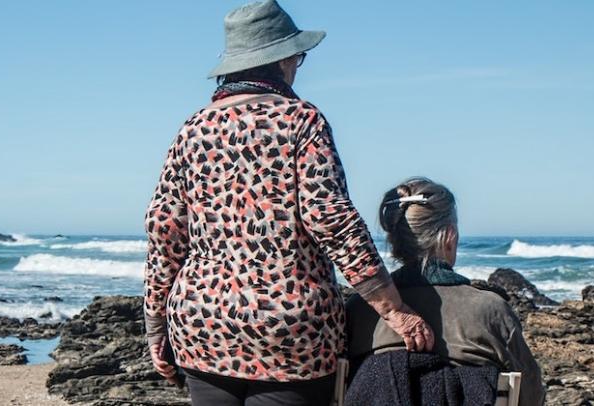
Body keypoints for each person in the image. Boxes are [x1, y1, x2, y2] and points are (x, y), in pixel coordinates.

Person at [144, 2, 434, 405]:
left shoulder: (193, 129)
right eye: (298, 57)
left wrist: (156, 324)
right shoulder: (302, 121)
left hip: (202, 325)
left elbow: (164, 233)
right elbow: (331, 219)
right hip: (291, 332)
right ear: (280, 61)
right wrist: (393, 308)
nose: (298, 66)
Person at [344, 177, 545, 405]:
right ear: (449, 236)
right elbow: (530, 394)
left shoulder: (358, 310)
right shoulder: (491, 310)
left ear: (394, 240)